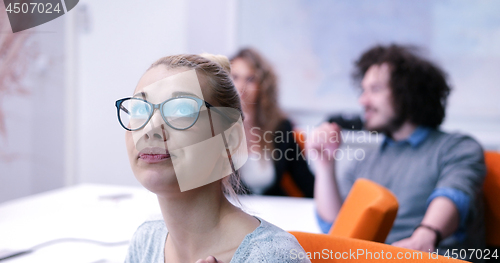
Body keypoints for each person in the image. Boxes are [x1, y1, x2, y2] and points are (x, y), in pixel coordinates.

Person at [118, 53, 310, 263]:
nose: (151, 128)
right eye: (139, 108)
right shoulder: (146, 240)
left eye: (181, 109)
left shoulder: (272, 257)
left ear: (230, 139)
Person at [307, 44, 486, 261]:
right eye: (363, 90)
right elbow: (336, 228)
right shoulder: (366, 160)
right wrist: (325, 165)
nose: (363, 101)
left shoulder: (456, 147)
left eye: (375, 89)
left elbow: (454, 195)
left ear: (407, 93)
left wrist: (426, 234)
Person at [230, 48, 315, 197]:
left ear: (263, 85)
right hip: (232, 214)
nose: (241, 87)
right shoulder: (216, 127)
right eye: (235, 77)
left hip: (271, 212)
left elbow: (308, 185)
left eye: (250, 79)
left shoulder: (281, 128)